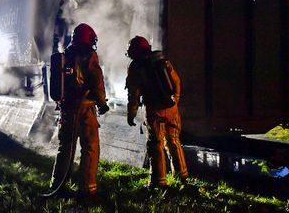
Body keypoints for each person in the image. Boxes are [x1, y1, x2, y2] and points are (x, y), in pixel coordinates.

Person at [48, 23, 110, 198]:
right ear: (89, 38)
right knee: (90, 147)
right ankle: (87, 188)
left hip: (67, 109)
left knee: (65, 147)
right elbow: (96, 82)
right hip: (84, 110)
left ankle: (57, 183)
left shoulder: (66, 55)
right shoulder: (89, 56)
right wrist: (102, 103)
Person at [125, 36, 188, 187]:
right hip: (171, 108)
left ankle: (158, 181)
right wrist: (173, 102)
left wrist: (131, 113)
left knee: (155, 143)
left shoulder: (136, 67)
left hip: (154, 110)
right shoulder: (161, 61)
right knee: (174, 141)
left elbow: (134, 94)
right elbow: (176, 82)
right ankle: (182, 175)